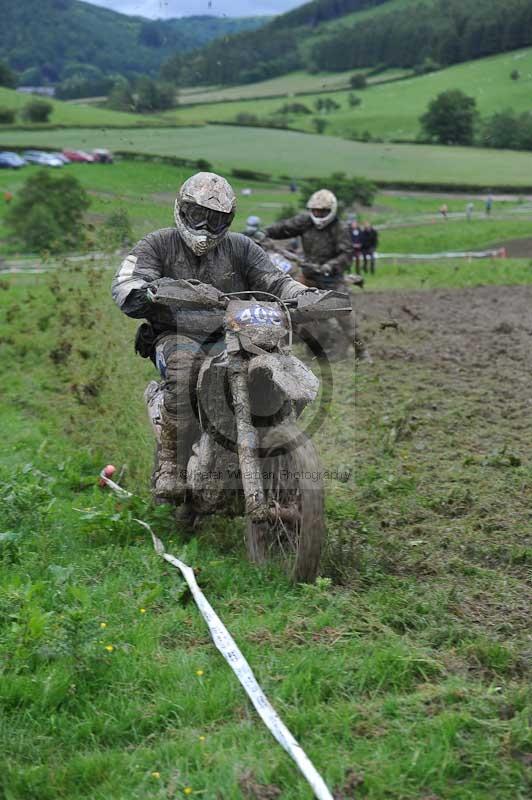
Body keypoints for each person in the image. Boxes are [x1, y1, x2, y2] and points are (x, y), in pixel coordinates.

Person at [112, 172, 313, 506]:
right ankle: (170, 466)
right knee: (185, 369)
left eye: (215, 219)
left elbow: (275, 280)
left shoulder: (242, 247)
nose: (204, 227)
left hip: (235, 335)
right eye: (197, 215)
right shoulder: (157, 244)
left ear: (228, 220)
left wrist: (303, 294)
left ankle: (278, 450)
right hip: (174, 335)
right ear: (181, 209)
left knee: (279, 368)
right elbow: (126, 282)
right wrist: (147, 290)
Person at [264, 189, 368, 361]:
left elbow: (346, 253)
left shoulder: (339, 228)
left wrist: (330, 265)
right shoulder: (305, 221)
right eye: (315, 210)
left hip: (332, 279)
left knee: (345, 318)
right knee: (289, 308)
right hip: (308, 276)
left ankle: (362, 352)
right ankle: (279, 349)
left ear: (331, 211)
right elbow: (284, 228)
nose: (318, 214)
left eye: (323, 211)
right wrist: (265, 232)